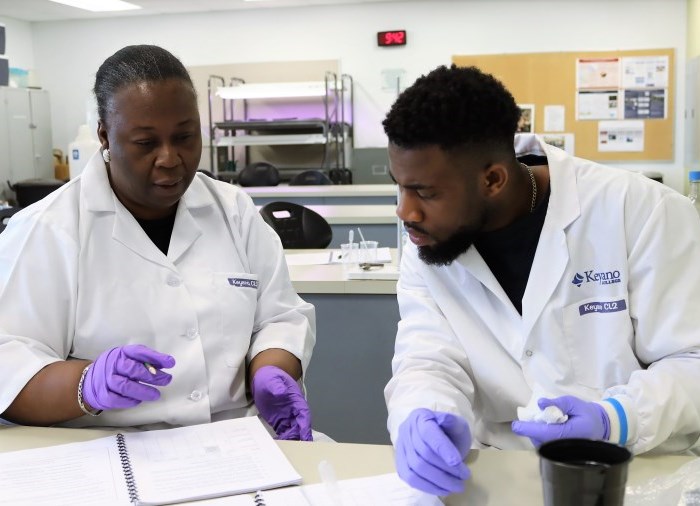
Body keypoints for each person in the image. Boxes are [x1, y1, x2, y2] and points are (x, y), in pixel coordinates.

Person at [382, 64, 700, 496]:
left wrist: (614, 418)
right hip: (501, 474)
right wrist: (422, 415)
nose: (405, 212)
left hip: (636, 474)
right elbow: (427, 358)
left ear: (493, 179)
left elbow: (692, 359)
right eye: (398, 186)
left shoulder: (639, 210)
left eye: (425, 192)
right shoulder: (429, 241)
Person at [0, 45, 316, 441]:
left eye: (185, 137)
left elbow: (279, 318)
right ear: (105, 135)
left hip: (240, 441)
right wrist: (84, 386)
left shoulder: (233, 210)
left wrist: (272, 370)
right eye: (146, 143)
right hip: (110, 452)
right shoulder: (47, 229)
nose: (170, 158)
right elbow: (8, 366)